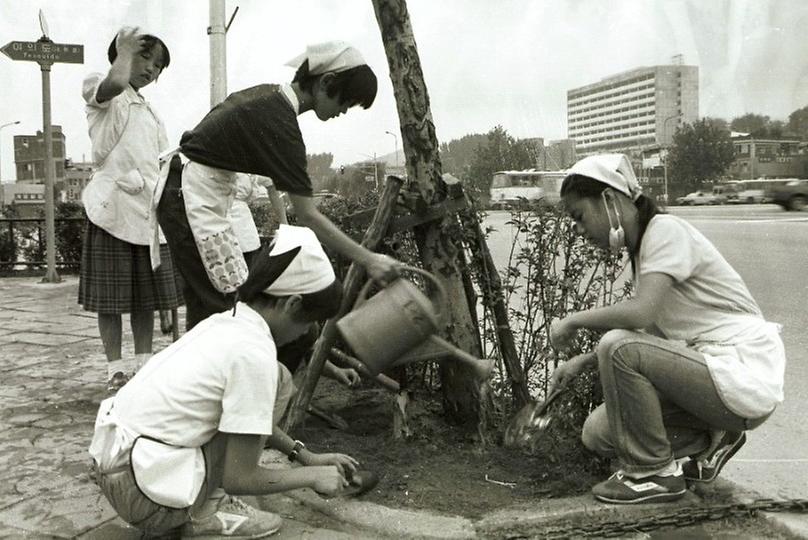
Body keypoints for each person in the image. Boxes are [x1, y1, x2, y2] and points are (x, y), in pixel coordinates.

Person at [89, 224, 362, 538]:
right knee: (277, 379)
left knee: (276, 379)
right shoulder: (253, 354)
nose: (306, 332)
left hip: (115, 466)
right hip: (144, 495)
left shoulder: (227, 322)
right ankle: (207, 512)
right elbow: (240, 478)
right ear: (292, 304)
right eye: (310, 321)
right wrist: (311, 476)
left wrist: (304, 456)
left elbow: (248, 420)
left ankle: (199, 499)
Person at [548, 154, 785, 504]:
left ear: (609, 200)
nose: (579, 230)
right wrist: (581, 363)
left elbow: (640, 316)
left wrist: (572, 319)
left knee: (617, 345)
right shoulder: (645, 252)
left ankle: (654, 474)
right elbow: (654, 342)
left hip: (742, 371)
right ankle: (716, 434)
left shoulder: (665, 231)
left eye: (579, 216)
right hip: (709, 373)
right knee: (599, 433)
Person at [153, 40, 399, 330]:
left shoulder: (268, 96)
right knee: (228, 309)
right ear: (326, 82)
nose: (343, 111)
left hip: (191, 192)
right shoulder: (281, 123)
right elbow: (308, 214)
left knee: (211, 307)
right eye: (345, 102)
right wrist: (369, 259)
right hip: (190, 197)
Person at [79, 27, 183, 392]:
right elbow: (113, 83)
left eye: (158, 66)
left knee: (145, 297)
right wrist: (123, 54)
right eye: (146, 59)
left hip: (146, 213)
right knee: (111, 299)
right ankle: (115, 369)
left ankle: (144, 364)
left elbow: (160, 161)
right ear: (121, 55)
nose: (151, 69)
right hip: (111, 207)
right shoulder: (101, 86)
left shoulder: (151, 111)